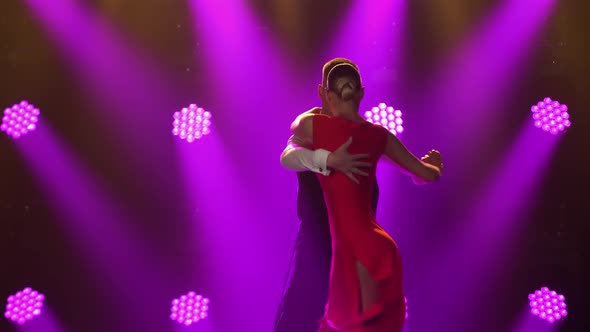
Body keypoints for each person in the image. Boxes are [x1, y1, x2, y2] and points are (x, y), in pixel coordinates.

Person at [289, 61, 443, 331]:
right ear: (360, 93)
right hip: (374, 246)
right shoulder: (376, 136)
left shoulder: (317, 126)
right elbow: (424, 174)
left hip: (353, 249)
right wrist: (434, 166)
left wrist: (327, 156)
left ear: (326, 93)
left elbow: (292, 137)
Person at [274, 58, 379, 332]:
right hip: (318, 243)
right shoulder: (310, 125)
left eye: (351, 89)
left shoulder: (363, 130)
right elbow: (288, 156)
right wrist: (328, 159)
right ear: (323, 92)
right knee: (300, 316)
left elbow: (395, 157)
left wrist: (421, 171)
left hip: (357, 247)